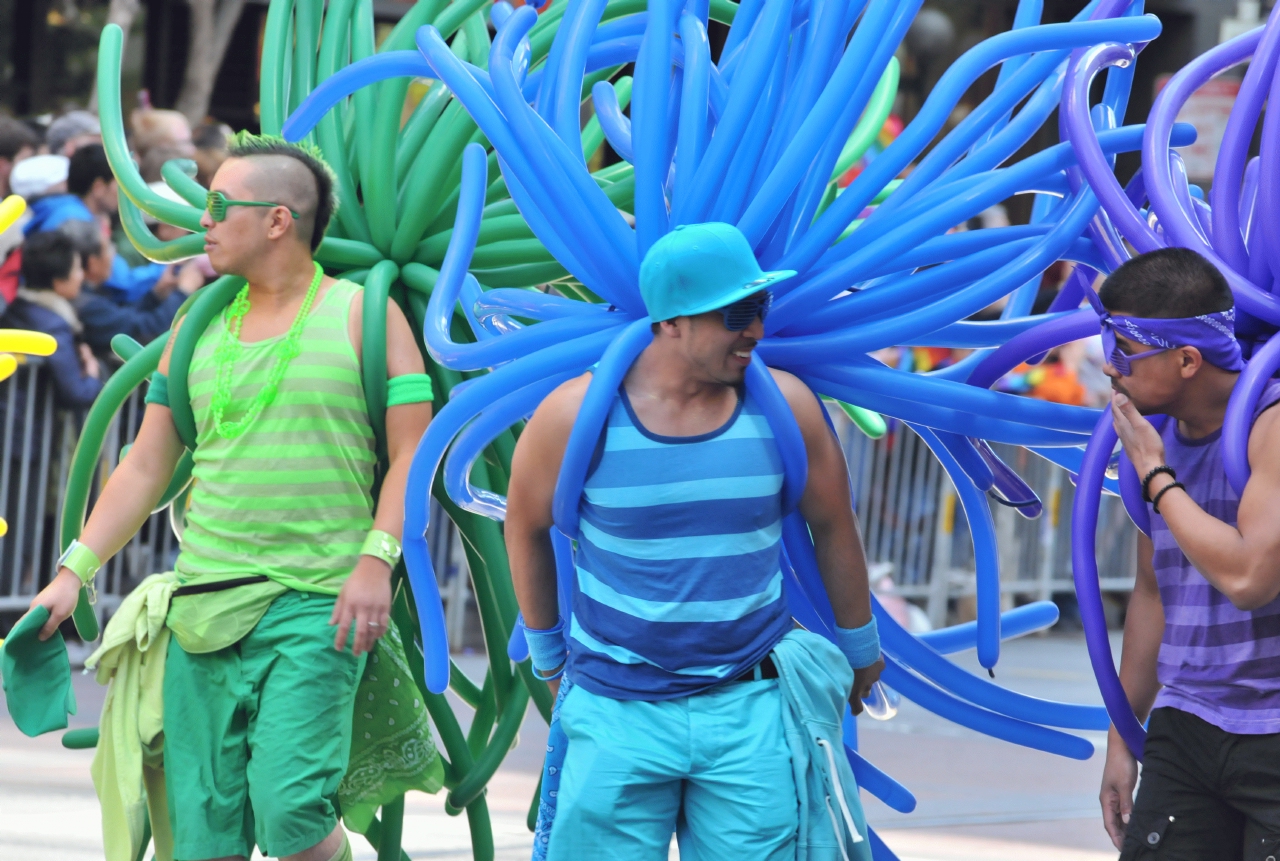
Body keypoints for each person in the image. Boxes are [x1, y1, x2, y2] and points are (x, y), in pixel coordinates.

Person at [25, 133, 434, 861]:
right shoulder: (195, 326)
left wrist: (377, 558)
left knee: (292, 809)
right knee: (203, 838)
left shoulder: (365, 317)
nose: (204, 220)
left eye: (219, 204)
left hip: (315, 603)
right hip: (201, 608)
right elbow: (147, 465)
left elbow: (414, 452)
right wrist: (71, 572)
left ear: (278, 219)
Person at [505, 221, 884, 860]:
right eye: (737, 312)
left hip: (752, 704)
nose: (757, 330)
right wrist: (547, 656)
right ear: (671, 320)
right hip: (615, 708)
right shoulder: (574, 417)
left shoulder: (786, 408)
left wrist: (861, 645)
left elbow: (833, 525)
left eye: (761, 307)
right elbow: (525, 526)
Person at [1095, 248, 1280, 860]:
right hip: (1188, 723)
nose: (1110, 368)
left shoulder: (1270, 424)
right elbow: (1153, 593)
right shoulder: (1158, 438)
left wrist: (1157, 475)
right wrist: (1124, 737)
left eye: (1123, 349)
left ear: (1187, 360)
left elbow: (1252, 577)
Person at [23, 143, 166, 303]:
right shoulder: (76, 222)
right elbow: (124, 284)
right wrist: (171, 264)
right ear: (98, 187)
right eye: (122, 183)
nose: (127, 191)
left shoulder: (64, 208)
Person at [55, 219, 198, 353]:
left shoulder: (90, 293)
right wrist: (183, 292)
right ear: (92, 263)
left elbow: (126, 318)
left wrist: (157, 293)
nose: (114, 253)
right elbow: (144, 332)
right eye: (109, 247)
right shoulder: (86, 306)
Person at [3, 230, 102, 407]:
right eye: (78, 268)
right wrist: (93, 373)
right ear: (58, 281)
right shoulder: (53, 326)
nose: (81, 276)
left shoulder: (15, 309)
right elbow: (77, 392)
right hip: (26, 425)